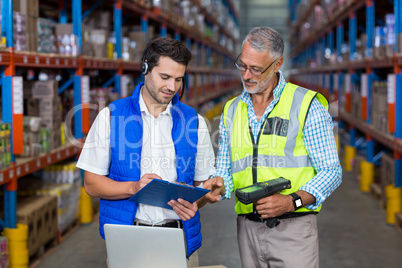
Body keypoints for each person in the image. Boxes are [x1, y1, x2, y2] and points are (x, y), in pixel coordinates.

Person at [76, 37, 223, 266]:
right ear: (145, 69)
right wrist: (133, 187)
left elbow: (202, 186)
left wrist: (202, 197)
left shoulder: (194, 121)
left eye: (178, 79)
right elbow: (91, 183)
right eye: (164, 77)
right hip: (128, 239)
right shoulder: (112, 116)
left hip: (179, 239)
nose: (172, 87)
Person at [212, 27, 342, 267]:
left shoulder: (306, 105)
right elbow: (225, 170)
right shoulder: (231, 109)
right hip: (247, 228)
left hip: (293, 229)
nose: (246, 75)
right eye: (242, 65)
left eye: (256, 69)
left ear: (277, 64)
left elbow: (332, 172)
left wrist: (292, 201)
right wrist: (215, 186)